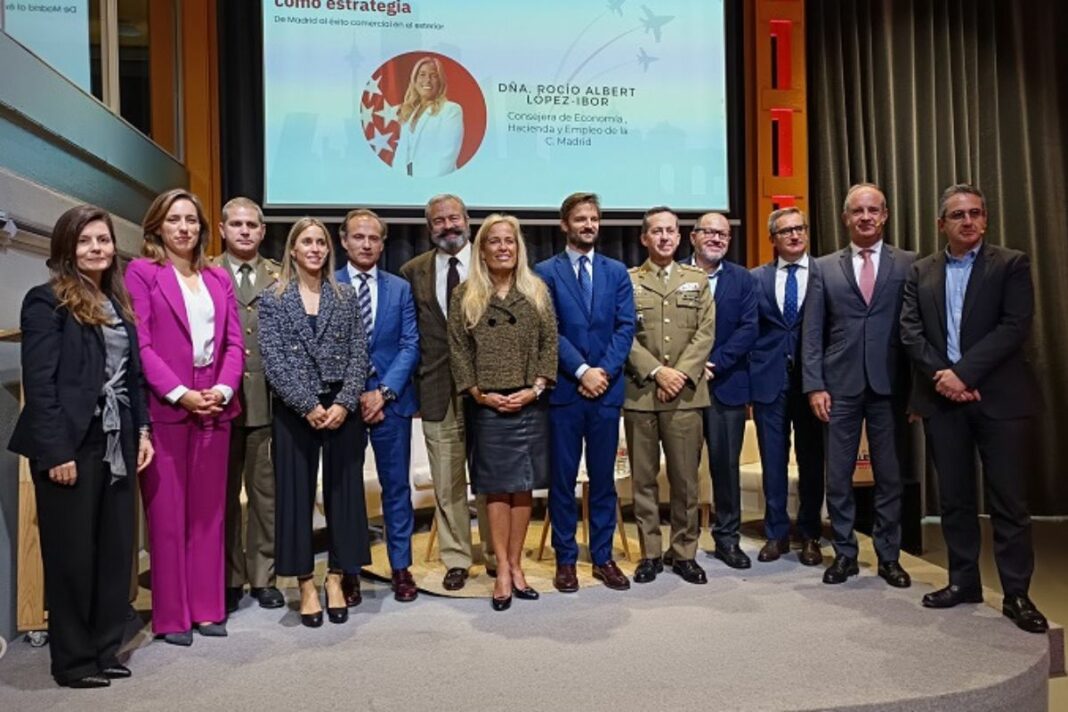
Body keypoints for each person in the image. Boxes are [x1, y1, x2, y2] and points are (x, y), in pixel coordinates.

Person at [9, 205, 154, 688]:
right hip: (71, 443)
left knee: (115, 553)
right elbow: (42, 384)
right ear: (68, 248)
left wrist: (143, 433)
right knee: (72, 557)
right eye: (87, 240)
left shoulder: (118, 301)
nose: (98, 248)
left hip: (117, 440)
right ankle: (72, 661)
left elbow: (132, 378)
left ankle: (104, 647)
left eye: (104, 240)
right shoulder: (45, 301)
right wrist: (56, 454)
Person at [900, 184, 1047, 633]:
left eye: (976, 213)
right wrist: (945, 377)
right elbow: (910, 331)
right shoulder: (921, 270)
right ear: (941, 223)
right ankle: (963, 582)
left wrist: (964, 374)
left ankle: (1017, 593)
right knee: (955, 499)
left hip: (999, 400)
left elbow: (1014, 326)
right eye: (958, 215)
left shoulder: (1012, 264)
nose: (969, 222)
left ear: (985, 218)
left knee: (1008, 502)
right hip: (942, 401)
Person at [126, 189, 245, 644]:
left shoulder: (217, 277)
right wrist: (180, 394)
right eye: (174, 219)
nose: (184, 228)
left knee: (210, 513)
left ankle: (208, 608)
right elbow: (143, 344)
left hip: (215, 403)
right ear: (158, 226)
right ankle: (173, 616)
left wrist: (221, 388)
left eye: (191, 220)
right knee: (167, 514)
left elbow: (235, 344)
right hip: (168, 406)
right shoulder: (142, 272)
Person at [258, 218, 371, 627]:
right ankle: (305, 583)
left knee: (344, 496)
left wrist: (343, 402)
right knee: (295, 497)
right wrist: (307, 405)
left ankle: (337, 578)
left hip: (341, 407)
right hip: (295, 411)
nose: (315, 248)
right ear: (292, 249)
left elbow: (360, 353)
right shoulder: (274, 298)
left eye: (321, 242)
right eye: (306, 241)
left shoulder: (344, 295)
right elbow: (273, 360)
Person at [802, 183, 915, 587]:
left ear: (884, 215)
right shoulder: (823, 266)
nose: (865, 217)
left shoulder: (910, 263)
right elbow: (812, 333)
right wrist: (815, 385)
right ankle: (845, 554)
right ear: (845, 217)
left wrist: (918, 390)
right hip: (840, 386)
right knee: (839, 476)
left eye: (873, 210)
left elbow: (918, 331)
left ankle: (888, 557)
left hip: (891, 386)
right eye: (857, 211)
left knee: (889, 476)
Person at [447, 213, 558, 610]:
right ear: (482, 248)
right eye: (494, 241)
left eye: (509, 240)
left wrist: (537, 388)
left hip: (529, 401)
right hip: (488, 404)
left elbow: (550, 343)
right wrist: (478, 393)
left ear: (519, 246)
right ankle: (503, 571)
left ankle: (516, 564)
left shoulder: (536, 290)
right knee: (495, 488)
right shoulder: (465, 294)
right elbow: (458, 349)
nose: (503, 247)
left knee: (522, 486)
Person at [535, 192, 635, 593]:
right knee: (562, 481)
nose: (588, 225)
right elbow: (549, 329)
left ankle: (604, 556)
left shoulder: (616, 272)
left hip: (606, 393)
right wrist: (581, 370)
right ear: (565, 225)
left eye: (594, 218)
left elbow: (625, 327)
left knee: (603, 481)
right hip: (565, 392)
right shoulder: (544, 272)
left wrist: (603, 373)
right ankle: (565, 560)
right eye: (580, 219)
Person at [399, 194, 494, 591]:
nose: (448, 226)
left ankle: (494, 554)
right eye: (438, 221)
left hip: (490, 390)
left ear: (467, 220)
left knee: (491, 477)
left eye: (454, 217)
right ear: (429, 227)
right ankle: (456, 557)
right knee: (447, 481)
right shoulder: (412, 271)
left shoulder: (493, 262)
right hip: (438, 390)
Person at [624, 207, 715, 585]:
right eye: (656, 232)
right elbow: (622, 334)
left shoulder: (697, 279)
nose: (664, 237)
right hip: (642, 393)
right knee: (643, 480)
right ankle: (649, 553)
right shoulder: (627, 281)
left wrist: (678, 374)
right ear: (644, 238)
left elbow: (706, 331)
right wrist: (658, 371)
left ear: (680, 238)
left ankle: (684, 552)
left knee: (685, 481)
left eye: (671, 231)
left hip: (686, 396)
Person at [336, 208, 421, 603]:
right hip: (343, 404)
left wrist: (383, 391)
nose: (366, 244)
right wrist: (353, 391)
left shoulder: (399, 288)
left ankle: (401, 567)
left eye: (374, 238)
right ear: (344, 240)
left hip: (391, 403)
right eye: (359, 237)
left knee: (396, 488)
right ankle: (349, 569)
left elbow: (410, 344)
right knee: (347, 488)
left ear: (383, 243)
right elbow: (324, 346)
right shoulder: (327, 284)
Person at [209, 197, 284, 614]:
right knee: (220, 497)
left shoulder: (279, 276)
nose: (244, 231)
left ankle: (263, 577)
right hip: (218, 403)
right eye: (236, 224)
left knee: (264, 497)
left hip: (266, 404)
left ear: (262, 231)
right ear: (221, 229)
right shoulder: (203, 273)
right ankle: (227, 577)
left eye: (251, 225)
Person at [749, 208, 825, 565]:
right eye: (785, 231)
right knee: (773, 462)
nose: (794, 235)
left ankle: (811, 534)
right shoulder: (756, 279)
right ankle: (776, 534)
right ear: (773, 239)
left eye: (799, 229)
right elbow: (749, 331)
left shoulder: (827, 274)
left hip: (813, 384)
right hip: (768, 383)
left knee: (812, 461)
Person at [687, 212, 758, 570]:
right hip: (680, 388)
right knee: (684, 470)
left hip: (726, 386)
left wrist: (713, 364)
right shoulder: (675, 276)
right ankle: (681, 545)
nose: (717, 239)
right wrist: (688, 368)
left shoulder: (743, 279)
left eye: (724, 235)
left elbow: (749, 329)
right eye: (710, 233)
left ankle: (727, 539)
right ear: (693, 237)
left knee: (725, 468)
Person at [393, 55, 464, 177]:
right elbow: (401, 153)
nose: (427, 80)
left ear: (440, 81)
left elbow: (447, 156)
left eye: (433, 76)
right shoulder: (409, 112)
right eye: (422, 75)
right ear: (414, 80)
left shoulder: (451, 110)